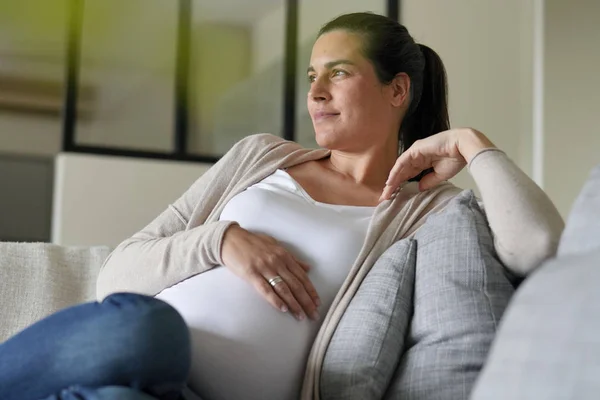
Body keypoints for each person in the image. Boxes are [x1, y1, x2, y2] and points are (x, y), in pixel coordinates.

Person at [0, 12, 564, 400]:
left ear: (398, 91)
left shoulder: (427, 213)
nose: (316, 92)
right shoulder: (260, 156)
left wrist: (470, 142)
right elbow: (117, 273)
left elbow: (538, 244)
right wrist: (222, 240)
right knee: (147, 330)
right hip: (142, 346)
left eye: (338, 74)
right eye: (312, 76)